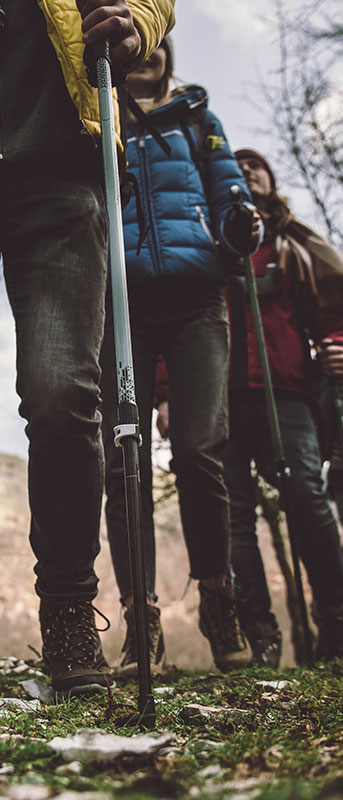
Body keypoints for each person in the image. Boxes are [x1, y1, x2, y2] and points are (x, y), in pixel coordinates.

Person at [0, 0, 175, 697]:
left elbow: (151, 2)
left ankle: (69, 611)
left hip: (59, 164)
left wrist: (137, 19)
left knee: (62, 390)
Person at [100, 39, 261, 676]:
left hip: (198, 299)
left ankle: (217, 601)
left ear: (165, 51)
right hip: (124, 302)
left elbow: (228, 191)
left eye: (151, 45)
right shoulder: (100, 116)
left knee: (199, 451)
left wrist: (237, 229)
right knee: (124, 458)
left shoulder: (197, 116)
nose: (143, 57)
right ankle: (141, 621)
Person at [220, 149, 343, 665]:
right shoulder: (212, 240)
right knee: (232, 516)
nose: (248, 171)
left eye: (257, 165)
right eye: (238, 165)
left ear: (271, 179)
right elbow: (179, 313)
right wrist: (163, 391)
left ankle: (335, 625)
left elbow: (334, 305)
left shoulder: (298, 243)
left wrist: (338, 342)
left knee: (308, 502)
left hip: (289, 391)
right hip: (219, 392)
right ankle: (259, 637)